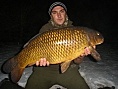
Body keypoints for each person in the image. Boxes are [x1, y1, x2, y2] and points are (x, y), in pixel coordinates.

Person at [25, 2, 91, 89]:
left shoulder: (75, 31)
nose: (59, 15)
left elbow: (76, 62)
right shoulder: (45, 29)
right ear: (51, 16)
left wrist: (80, 56)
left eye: (61, 11)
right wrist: (39, 62)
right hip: (44, 71)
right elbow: (36, 50)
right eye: (54, 12)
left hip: (68, 71)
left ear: (66, 13)